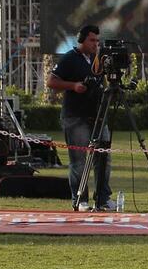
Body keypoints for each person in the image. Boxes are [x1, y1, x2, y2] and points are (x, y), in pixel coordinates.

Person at [46, 24, 115, 212]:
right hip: (75, 116)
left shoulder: (98, 59)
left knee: (103, 158)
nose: (96, 44)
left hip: (98, 115)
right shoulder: (70, 58)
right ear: (82, 40)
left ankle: (102, 199)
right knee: (79, 160)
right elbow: (51, 81)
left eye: (97, 41)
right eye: (92, 40)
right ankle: (80, 199)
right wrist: (73, 86)